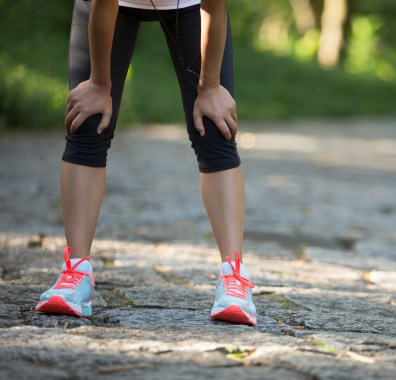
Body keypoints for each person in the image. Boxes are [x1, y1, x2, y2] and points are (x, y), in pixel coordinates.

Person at [34, 0, 257, 326]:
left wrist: (210, 87)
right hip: (108, 5)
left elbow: (214, 5)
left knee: (214, 128)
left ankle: (234, 278)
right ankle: (76, 273)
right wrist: (99, 85)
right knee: (88, 121)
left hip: (191, 6)